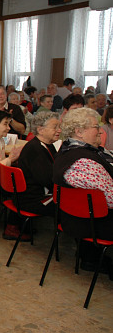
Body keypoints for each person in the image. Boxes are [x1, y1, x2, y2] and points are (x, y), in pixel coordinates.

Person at [53, 108, 113, 269]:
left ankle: (90, 257)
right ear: (79, 132)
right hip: (90, 223)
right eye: (96, 126)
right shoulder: (84, 163)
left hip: (75, 218)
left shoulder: (66, 149)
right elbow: (111, 199)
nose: (100, 131)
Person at [9, 112, 61, 239]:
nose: (59, 130)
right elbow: (49, 180)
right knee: (72, 207)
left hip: (31, 195)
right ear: (40, 130)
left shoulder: (45, 145)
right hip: (32, 200)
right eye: (55, 127)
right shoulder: (35, 149)